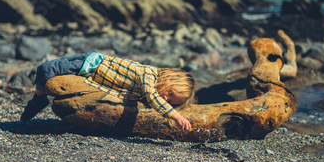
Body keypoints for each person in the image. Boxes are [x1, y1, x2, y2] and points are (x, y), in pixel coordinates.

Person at [20, 52, 195, 130]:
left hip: (92, 78)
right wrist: (176, 116)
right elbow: (153, 96)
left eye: (171, 102)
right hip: (90, 63)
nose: (166, 98)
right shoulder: (148, 74)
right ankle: (39, 99)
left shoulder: (150, 89)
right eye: (170, 93)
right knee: (46, 69)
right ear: (168, 79)